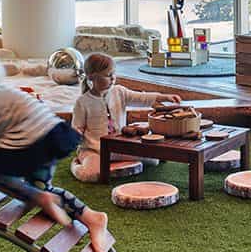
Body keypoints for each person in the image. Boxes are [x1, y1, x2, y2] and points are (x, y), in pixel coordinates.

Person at [0, 34, 112, 252]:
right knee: (42, 190)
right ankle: (92, 218)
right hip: (52, 133)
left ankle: (43, 198)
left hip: (32, 138)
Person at [70, 53, 181, 182]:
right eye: (108, 75)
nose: (113, 78)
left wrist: (164, 97)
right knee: (91, 174)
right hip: (93, 150)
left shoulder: (119, 91)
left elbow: (141, 97)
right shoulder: (82, 102)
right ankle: (76, 164)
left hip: (118, 147)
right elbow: (76, 127)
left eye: (113, 73)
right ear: (92, 77)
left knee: (153, 160)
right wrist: (76, 134)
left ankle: (117, 167)